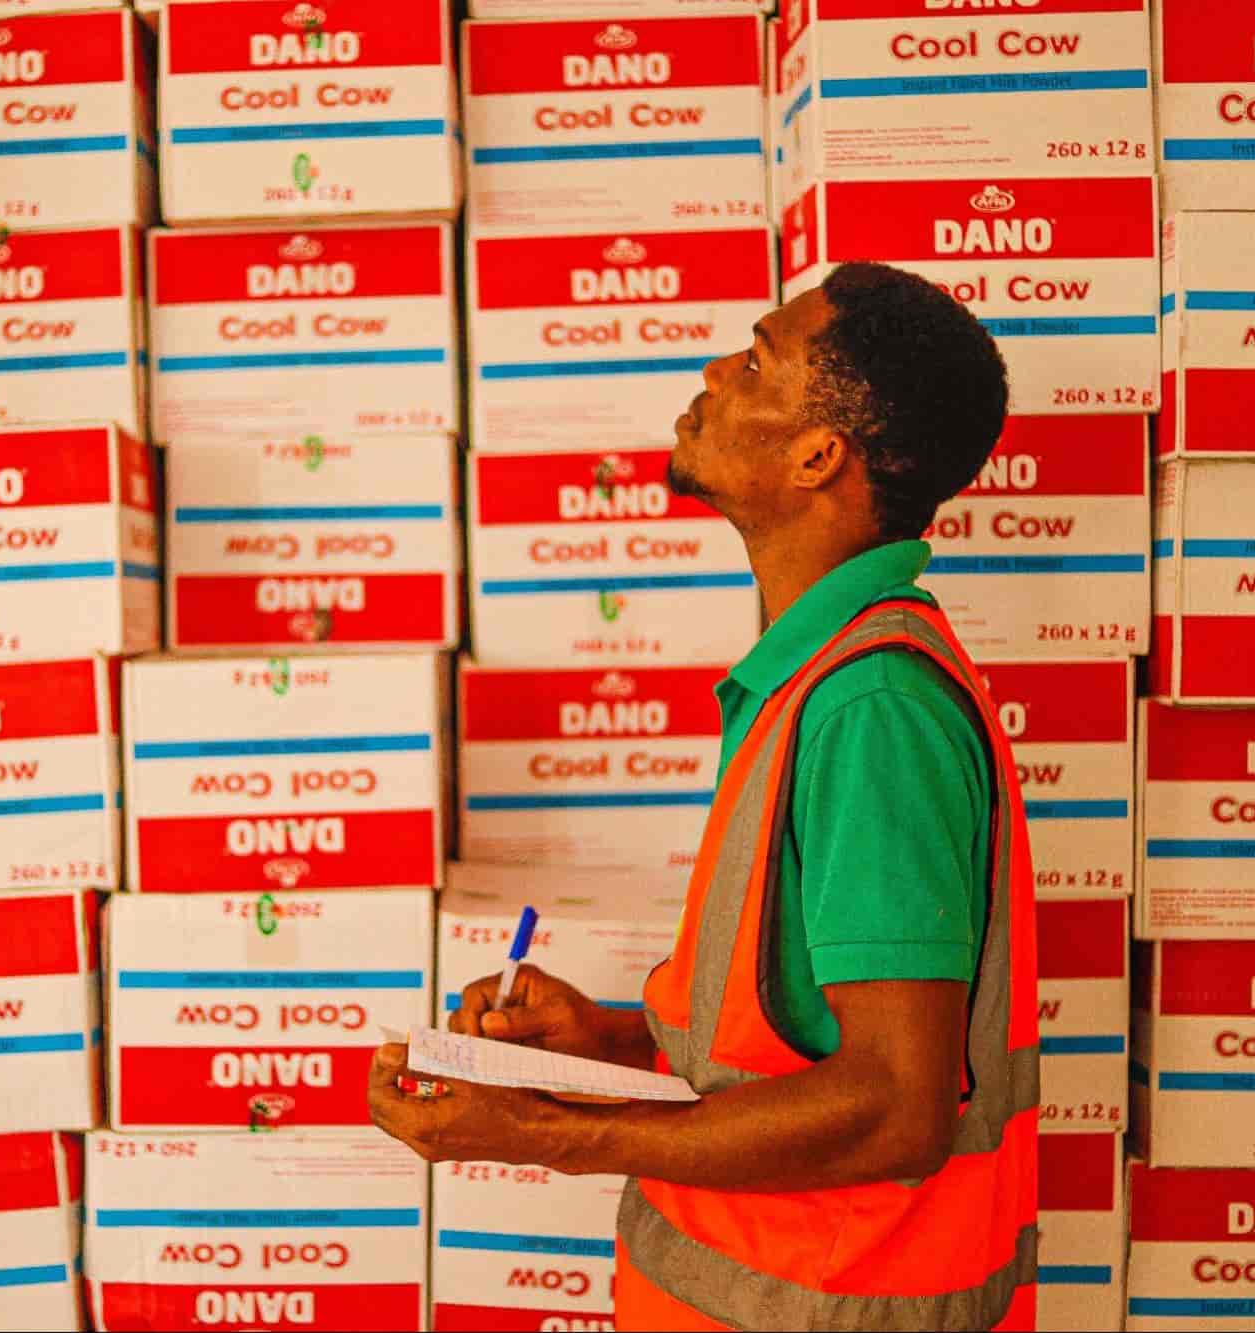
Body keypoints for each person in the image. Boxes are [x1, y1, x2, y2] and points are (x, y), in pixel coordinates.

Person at [370, 262, 1040, 1331]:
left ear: (820, 453)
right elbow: (798, 1040)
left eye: (758, 359)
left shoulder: (870, 707)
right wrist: (620, 1042)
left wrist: (543, 1132)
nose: (715, 369)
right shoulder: (812, 680)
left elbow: (896, 1107)